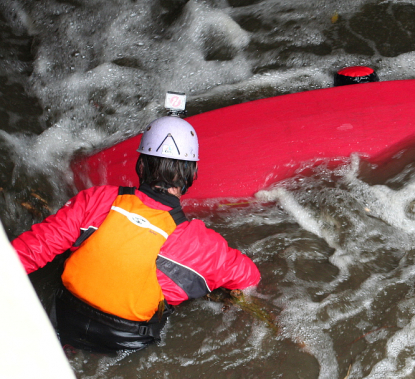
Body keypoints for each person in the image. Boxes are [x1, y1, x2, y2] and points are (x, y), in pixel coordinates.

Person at [12, 116, 261, 353]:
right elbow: (249, 279)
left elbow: (25, 254)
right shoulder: (204, 247)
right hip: (124, 345)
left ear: (141, 165)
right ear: (193, 174)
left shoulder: (96, 200)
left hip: (64, 318)